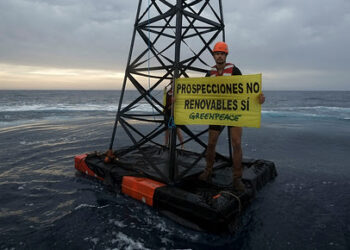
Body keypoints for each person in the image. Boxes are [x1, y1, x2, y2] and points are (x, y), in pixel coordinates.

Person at [198, 41, 265, 192]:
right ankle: (208, 171)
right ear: (214, 55)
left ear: (226, 55)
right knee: (211, 144)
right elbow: (198, 94)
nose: (220, 56)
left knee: (236, 143)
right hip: (216, 112)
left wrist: (258, 98)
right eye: (217, 53)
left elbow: (245, 90)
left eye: (222, 53)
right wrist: (179, 99)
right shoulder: (209, 74)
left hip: (233, 112)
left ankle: (237, 178)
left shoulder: (234, 71)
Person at [164, 84, 185, 149]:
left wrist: (172, 104)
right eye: (171, 82)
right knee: (167, 129)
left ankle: (182, 145)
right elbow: (165, 101)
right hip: (167, 112)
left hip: (175, 113)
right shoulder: (168, 92)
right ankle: (166, 144)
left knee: (177, 130)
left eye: (173, 82)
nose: (172, 83)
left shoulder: (178, 93)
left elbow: (178, 103)